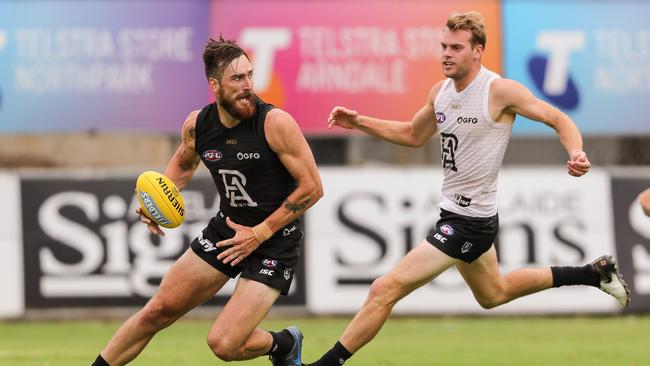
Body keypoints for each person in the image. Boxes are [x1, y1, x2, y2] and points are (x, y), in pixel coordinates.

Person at [302, 11, 630, 366]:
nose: (446, 53)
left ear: (478, 51)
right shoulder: (440, 92)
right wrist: (359, 121)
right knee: (493, 294)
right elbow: (413, 134)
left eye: (456, 47)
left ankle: (326, 364)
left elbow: (557, 118)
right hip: (458, 214)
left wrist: (576, 152)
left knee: (385, 288)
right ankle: (593, 273)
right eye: (444, 46)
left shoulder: (498, 90)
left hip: (469, 222)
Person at [91, 36, 323, 366]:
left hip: (274, 241)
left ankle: (284, 343)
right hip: (226, 232)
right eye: (237, 78)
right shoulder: (198, 125)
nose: (248, 86)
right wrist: (158, 198)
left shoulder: (275, 123)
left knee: (224, 345)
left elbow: (312, 187)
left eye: (250, 75)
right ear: (215, 84)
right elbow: (183, 165)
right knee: (157, 310)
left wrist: (259, 233)